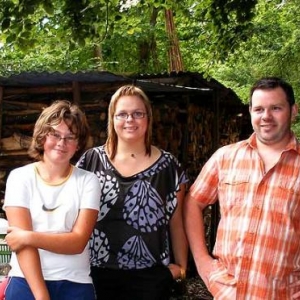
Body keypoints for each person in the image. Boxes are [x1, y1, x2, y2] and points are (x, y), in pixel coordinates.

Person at [184, 77, 300, 300]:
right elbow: (192, 203)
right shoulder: (226, 157)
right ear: (250, 112)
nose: (266, 116)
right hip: (228, 292)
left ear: (293, 111)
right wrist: (203, 264)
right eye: (259, 109)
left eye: (276, 108)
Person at [76, 85, 189, 300]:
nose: (130, 120)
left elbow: (176, 222)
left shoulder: (169, 167)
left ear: (148, 118)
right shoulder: (90, 161)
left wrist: (181, 270)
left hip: (150, 278)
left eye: (138, 113)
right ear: (112, 118)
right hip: (94, 273)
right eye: (122, 114)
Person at [3, 100, 101, 300]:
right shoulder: (20, 177)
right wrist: (41, 296)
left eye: (70, 137)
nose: (61, 143)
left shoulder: (88, 181)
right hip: (25, 281)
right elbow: (22, 247)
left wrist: (28, 236)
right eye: (55, 134)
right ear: (41, 137)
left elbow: (77, 242)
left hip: (75, 282)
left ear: (78, 144)